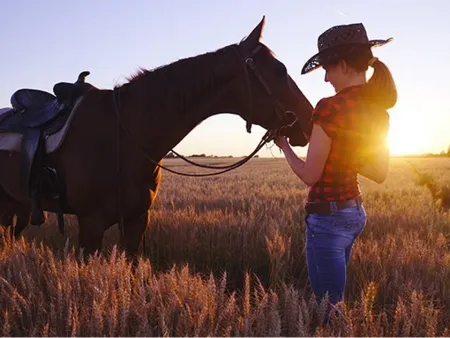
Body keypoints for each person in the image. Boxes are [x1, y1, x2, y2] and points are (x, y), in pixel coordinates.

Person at [274, 23, 397, 320]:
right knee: (336, 301)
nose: (327, 78)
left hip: (327, 219)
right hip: (354, 215)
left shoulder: (329, 107)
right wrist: (343, 149)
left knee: (328, 310)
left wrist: (284, 146)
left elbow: (309, 176)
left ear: (342, 65)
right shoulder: (378, 111)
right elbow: (379, 172)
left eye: (328, 70)